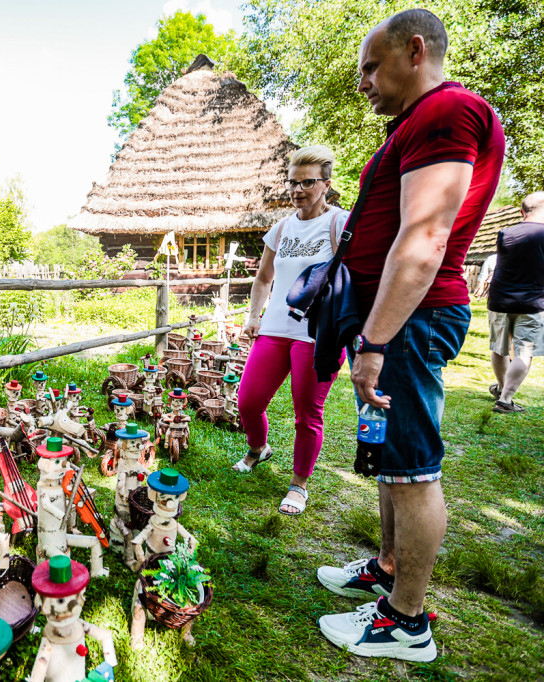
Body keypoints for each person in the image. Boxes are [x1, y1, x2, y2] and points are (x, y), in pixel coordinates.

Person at [316, 9, 504, 662]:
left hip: (409, 320)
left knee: (414, 468)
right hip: (388, 318)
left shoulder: (447, 114)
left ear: (414, 50)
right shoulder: (418, 123)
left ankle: (406, 622)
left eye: (371, 67)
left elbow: (423, 240)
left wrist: (373, 343)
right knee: (389, 458)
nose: (362, 83)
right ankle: (388, 566)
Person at [236, 145, 349, 516]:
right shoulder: (281, 227)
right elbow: (264, 278)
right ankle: (258, 449)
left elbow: (357, 279)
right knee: (249, 400)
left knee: (306, 414)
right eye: (293, 182)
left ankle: (299, 484)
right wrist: (254, 315)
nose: (298, 189)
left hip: (318, 333)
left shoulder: (341, 223)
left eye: (307, 182)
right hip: (275, 328)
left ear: (326, 184)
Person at [487, 192, 544, 413]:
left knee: (499, 348)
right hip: (533, 302)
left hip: (500, 300)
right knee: (523, 351)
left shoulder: (505, 232)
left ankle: (501, 389)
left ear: (522, 211)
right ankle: (505, 399)